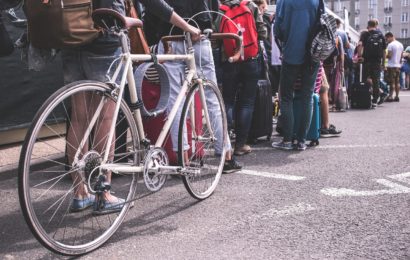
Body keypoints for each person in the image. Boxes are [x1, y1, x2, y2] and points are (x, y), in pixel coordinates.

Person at [66, 0, 204, 213]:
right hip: (106, 31)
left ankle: (80, 193)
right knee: (106, 117)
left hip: (71, 33)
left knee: (79, 117)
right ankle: (104, 193)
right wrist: (186, 26)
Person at [143, 0, 242, 173]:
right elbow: (212, 7)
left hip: (169, 37)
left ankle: (183, 157)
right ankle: (225, 154)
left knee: (175, 100)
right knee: (212, 98)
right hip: (200, 33)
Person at [218, 0, 267, 156]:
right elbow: (263, 32)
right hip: (250, 59)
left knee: (228, 101)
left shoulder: (221, 9)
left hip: (229, 59)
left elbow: (215, 36)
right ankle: (240, 145)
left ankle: (224, 145)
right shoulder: (251, 6)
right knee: (247, 102)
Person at [272, 0, 320, 151]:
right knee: (307, 96)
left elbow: (278, 28)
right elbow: (323, 22)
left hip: (292, 52)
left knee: (286, 97)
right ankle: (301, 141)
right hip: (312, 53)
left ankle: (287, 140)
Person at [357, 19, 387, 108]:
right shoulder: (381, 35)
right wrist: (383, 63)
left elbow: (359, 45)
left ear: (368, 25)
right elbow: (384, 51)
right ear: (376, 25)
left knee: (364, 79)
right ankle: (375, 101)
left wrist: (360, 56)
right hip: (377, 62)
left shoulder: (365, 34)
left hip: (366, 61)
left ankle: (365, 98)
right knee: (376, 80)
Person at [384, 32, 404, 102]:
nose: (387, 40)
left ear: (390, 37)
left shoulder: (390, 45)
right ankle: (397, 96)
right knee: (397, 82)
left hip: (391, 66)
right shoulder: (400, 44)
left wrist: (384, 55)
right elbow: (401, 56)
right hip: (398, 66)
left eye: (387, 39)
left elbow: (389, 56)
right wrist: (400, 64)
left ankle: (390, 96)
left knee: (391, 82)